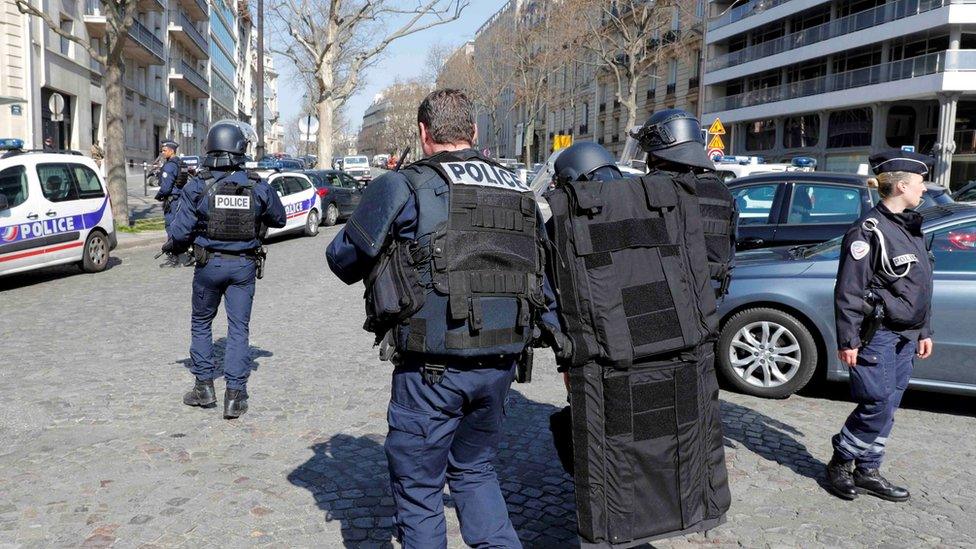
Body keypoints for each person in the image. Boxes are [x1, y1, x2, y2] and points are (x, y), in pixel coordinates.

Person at [327, 89, 559, 548]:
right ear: (474, 132)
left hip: (431, 371)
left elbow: (342, 261)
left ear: (422, 133)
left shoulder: (404, 184)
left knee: (418, 492)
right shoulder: (518, 190)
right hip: (500, 367)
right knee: (475, 471)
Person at [542, 111, 732, 547]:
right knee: (666, 437)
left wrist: (565, 351)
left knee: (612, 445)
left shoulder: (570, 221)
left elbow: (555, 298)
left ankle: (623, 523)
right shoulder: (668, 202)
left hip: (609, 357)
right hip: (678, 346)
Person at [827, 149, 935, 502]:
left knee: (890, 405)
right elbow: (849, 291)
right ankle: (841, 462)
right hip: (878, 335)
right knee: (875, 402)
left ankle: (868, 468)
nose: (925, 189)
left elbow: (920, 285)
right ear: (902, 185)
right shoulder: (868, 230)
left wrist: (924, 330)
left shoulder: (910, 226)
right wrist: (848, 341)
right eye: (920, 183)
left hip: (906, 334)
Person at [164, 120, 286, 419]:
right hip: (243, 267)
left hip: (208, 265)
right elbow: (279, 218)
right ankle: (234, 396)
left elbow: (179, 234)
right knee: (238, 329)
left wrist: (175, 249)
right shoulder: (256, 185)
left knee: (202, 323)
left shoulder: (197, 184)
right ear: (240, 148)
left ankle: (204, 388)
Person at [633, 109, 737, 297]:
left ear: (655, 153)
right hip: (709, 298)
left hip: (663, 297)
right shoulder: (721, 190)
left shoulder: (647, 188)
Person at [154, 141, 183, 231]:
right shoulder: (180, 163)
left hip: (172, 201)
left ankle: (172, 245)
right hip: (180, 199)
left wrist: (159, 196)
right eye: (162, 151)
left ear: (171, 151)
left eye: (164, 151)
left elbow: (166, 188)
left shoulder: (170, 166)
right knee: (179, 226)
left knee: (171, 226)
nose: (162, 153)